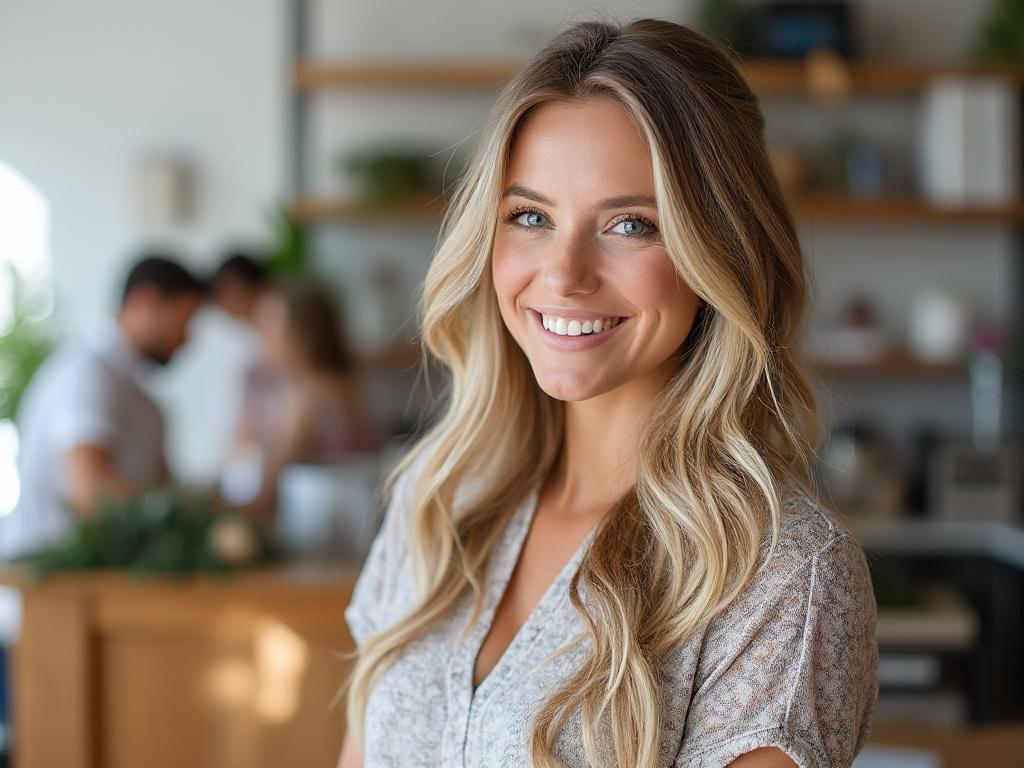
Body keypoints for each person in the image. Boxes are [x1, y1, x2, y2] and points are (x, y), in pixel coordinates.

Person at [336, 19, 878, 768]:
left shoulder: (782, 574)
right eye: (530, 217)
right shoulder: (436, 501)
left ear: (720, 248)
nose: (564, 274)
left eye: (630, 224)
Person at [0, 254, 205, 558]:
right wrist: (184, 503)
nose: (187, 339)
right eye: (184, 320)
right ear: (145, 300)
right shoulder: (86, 376)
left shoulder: (146, 403)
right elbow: (90, 496)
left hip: (108, 580)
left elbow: (164, 489)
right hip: (50, 583)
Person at [227, 279, 381, 522]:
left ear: (303, 337)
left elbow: (267, 490)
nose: (260, 338)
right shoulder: (334, 385)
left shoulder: (312, 395)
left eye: (270, 327)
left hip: (325, 538)